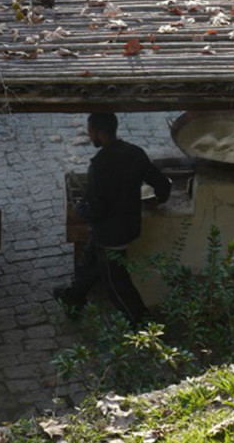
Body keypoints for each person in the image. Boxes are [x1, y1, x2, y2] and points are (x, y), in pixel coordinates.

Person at [54, 112, 171, 327]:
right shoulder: (134, 152)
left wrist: (80, 209)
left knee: (116, 283)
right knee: (88, 262)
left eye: (90, 132)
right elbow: (163, 184)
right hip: (130, 225)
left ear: (99, 133)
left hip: (110, 234)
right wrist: (157, 200)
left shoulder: (99, 166)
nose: (89, 137)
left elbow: (96, 211)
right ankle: (72, 298)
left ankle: (144, 325)